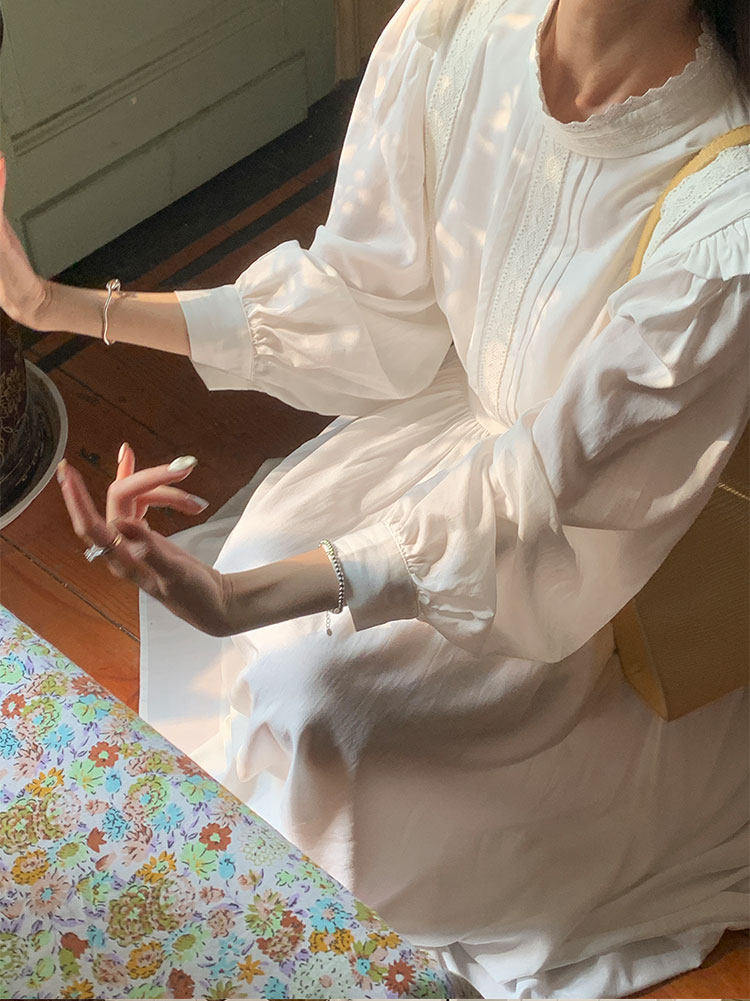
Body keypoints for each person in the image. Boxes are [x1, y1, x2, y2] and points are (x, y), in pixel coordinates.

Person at [1, 0, 748, 995]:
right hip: (441, 458)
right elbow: (357, 298)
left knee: (318, 711)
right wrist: (58, 305)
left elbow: (539, 487)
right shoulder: (460, 24)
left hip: (555, 569)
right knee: (266, 598)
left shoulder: (722, 215)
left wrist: (242, 598)